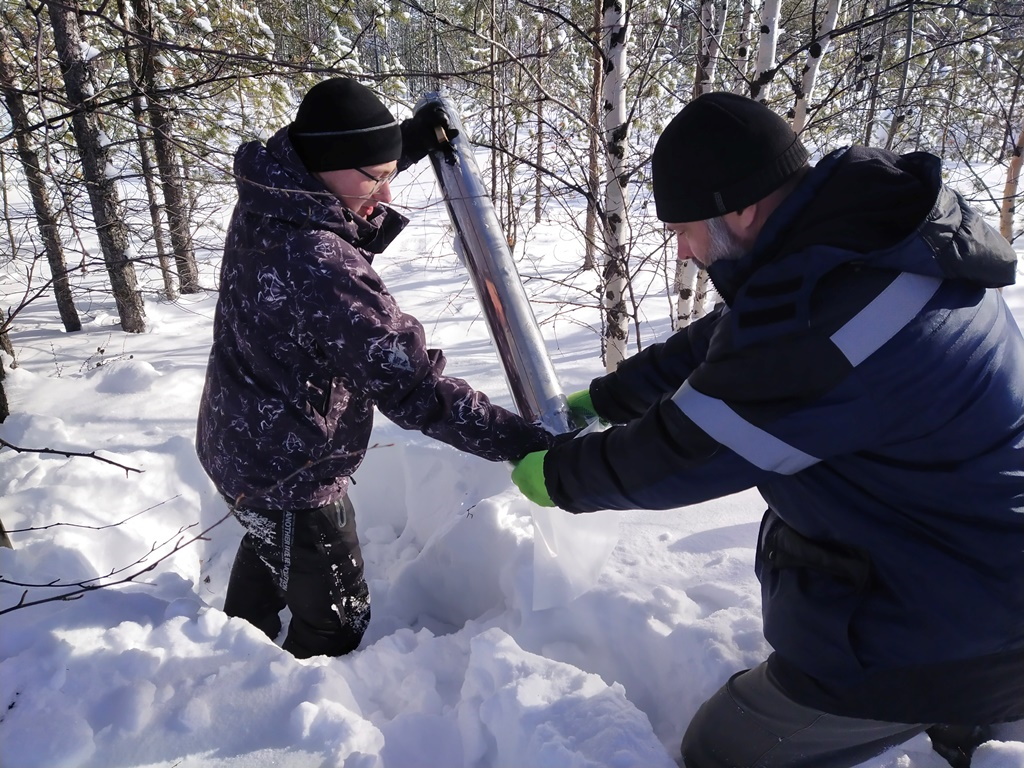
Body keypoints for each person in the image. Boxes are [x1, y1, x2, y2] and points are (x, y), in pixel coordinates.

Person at [511, 92, 1024, 767]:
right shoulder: (870, 244)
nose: (685, 250)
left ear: (740, 209)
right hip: (968, 567)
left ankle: (955, 708)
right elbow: (735, 338)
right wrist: (607, 396)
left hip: (953, 626)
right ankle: (964, 721)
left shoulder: (830, 327)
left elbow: (684, 453)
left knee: (721, 749)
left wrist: (557, 477)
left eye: (685, 228)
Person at [196, 77, 555, 660]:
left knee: (273, 544)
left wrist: (399, 147)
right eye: (375, 177)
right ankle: (278, 701)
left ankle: (237, 642)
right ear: (331, 163)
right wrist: (523, 439)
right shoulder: (318, 264)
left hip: (238, 438)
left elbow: (340, 167)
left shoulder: (273, 190)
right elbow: (412, 385)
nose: (384, 196)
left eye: (389, 172)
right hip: (290, 471)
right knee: (339, 618)